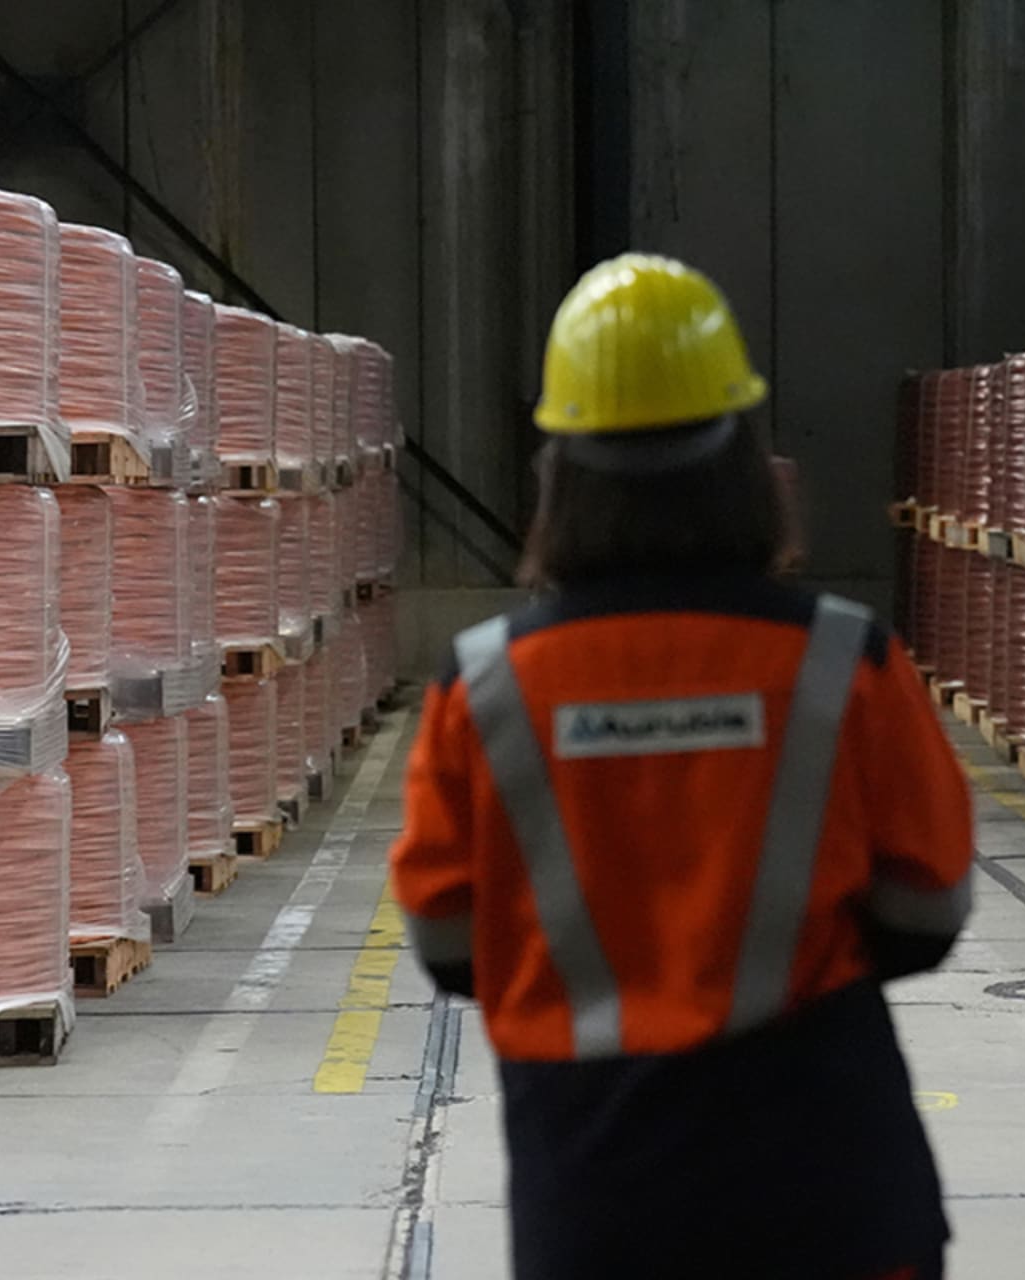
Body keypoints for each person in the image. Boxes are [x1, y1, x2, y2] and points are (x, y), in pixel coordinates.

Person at [390, 253, 975, 1279]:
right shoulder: (845, 659)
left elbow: (446, 940)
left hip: (600, 1203)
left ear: (556, 472)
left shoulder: (484, 688)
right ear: (745, 457)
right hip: (833, 1195)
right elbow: (926, 912)